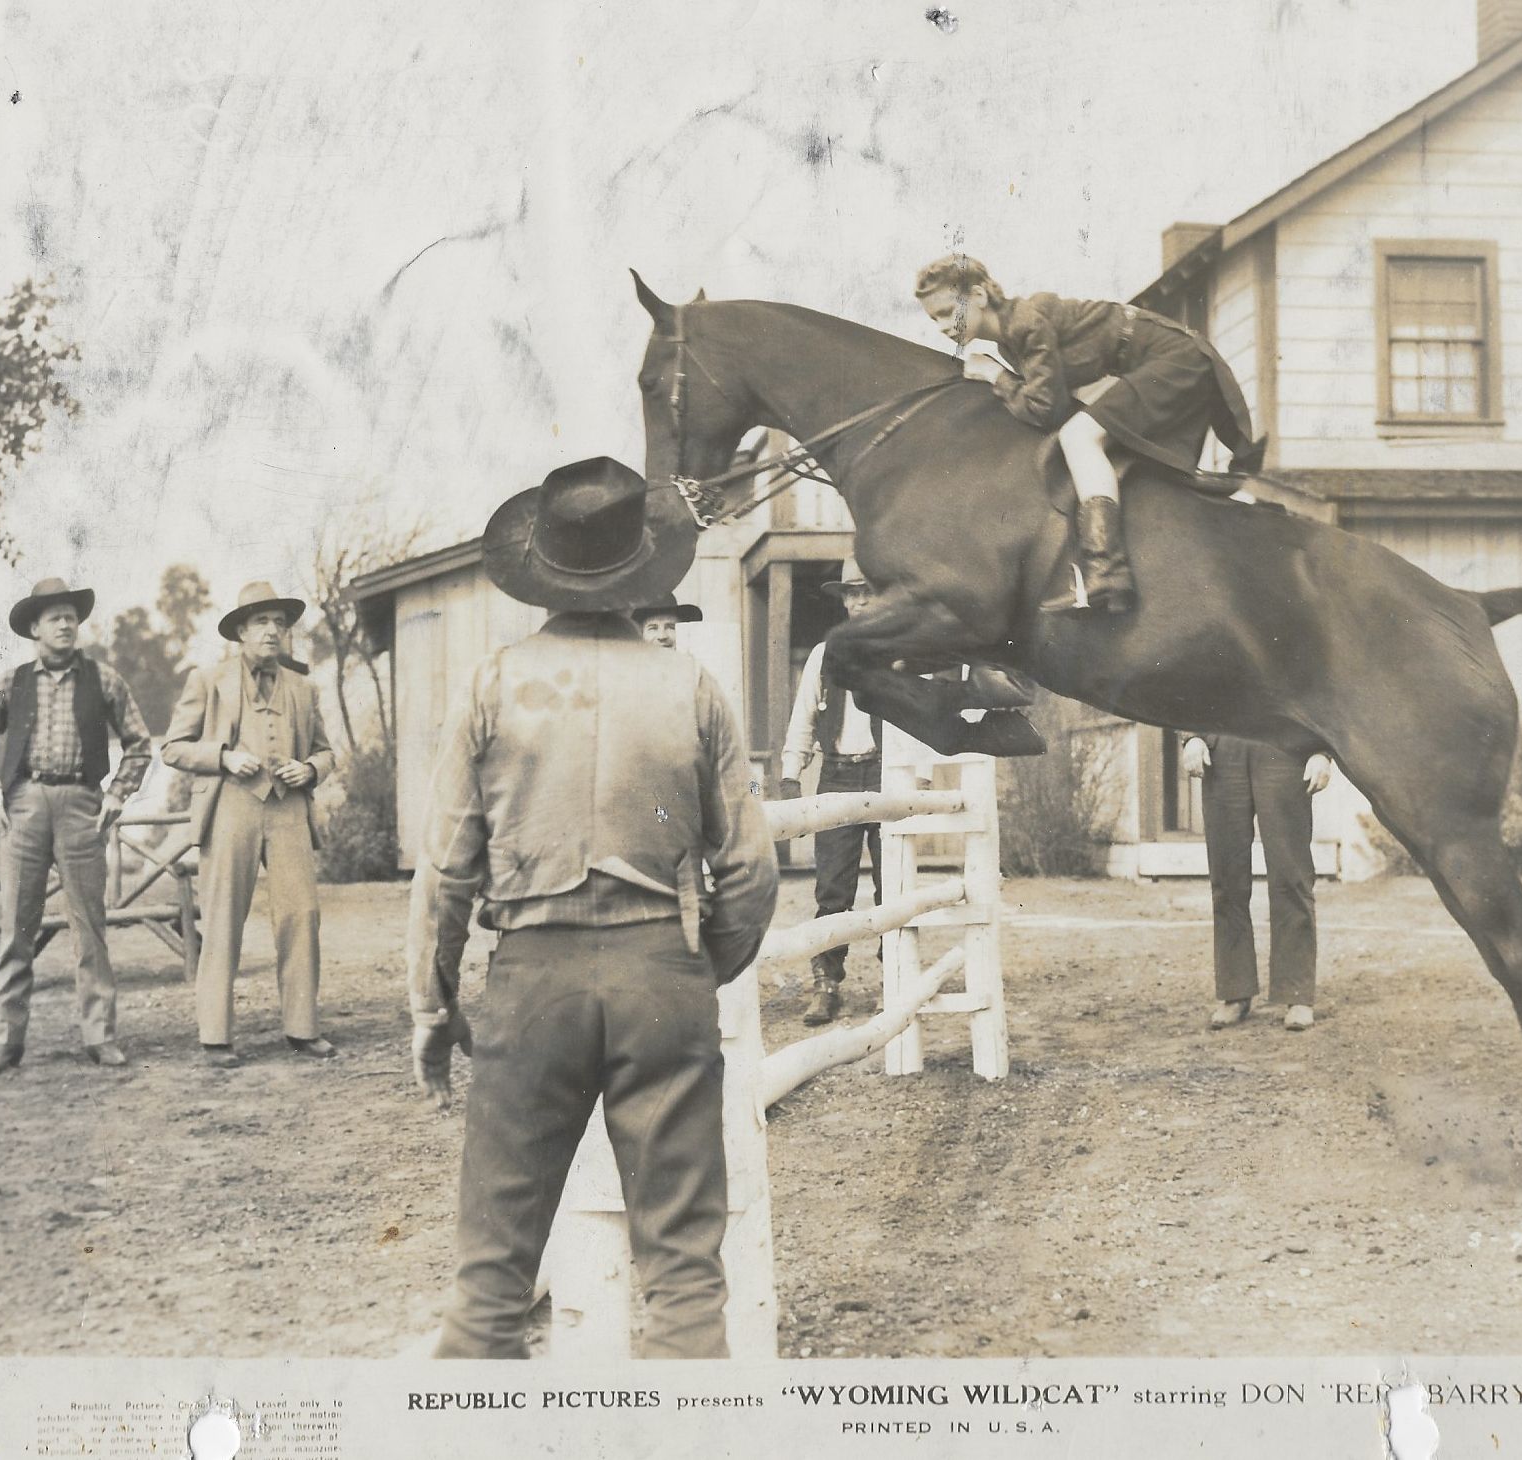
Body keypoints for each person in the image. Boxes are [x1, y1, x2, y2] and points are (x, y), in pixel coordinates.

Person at [408, 456, 778, 1360]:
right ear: (642, 566)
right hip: (663, 974)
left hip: (533, 976)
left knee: (493, 1271)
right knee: (685, 1268)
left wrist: (430, 1004)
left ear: (542, 567)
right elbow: (752, 870)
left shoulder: (494, 683)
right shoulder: (688, 686)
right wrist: (691, 962)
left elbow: (444, 869)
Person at [913, 253, 1266, 612]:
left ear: (978, 295)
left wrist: (995, 376)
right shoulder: (1009, 341)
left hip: (1173, 357)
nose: (942, 326)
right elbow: (1051, 407)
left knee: (1080, 438)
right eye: (933, 318)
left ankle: (1107, 570)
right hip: (1152, 360)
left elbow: (1042, 410)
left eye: (946, 312)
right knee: (1096, 446)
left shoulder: (1025, 322)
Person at [0, 578, 155, 1073]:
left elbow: (139, 741)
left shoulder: (104, 680)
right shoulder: (13, 682)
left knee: (89, 925)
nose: (65, 624)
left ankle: (100, 1036)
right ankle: (7, 1040)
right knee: (16, 926)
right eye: (54, 617)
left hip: (81, 805)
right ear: (34, 628)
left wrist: (117, 792)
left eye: (71, 616)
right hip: (25, 804)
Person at [163, 581, 338, 1068]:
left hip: (288, 810)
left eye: (280, 623)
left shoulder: (303, 687)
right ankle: (216, 1036)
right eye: (261, 621)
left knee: (301, 914)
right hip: (232, 807)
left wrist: (309, 770)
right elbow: (173, 748)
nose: (272, 631)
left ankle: (302, 1029)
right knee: (222, 919)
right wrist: (222, 757)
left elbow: (326, 752)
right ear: (240, 630)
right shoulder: (207, 680)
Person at [779, 559, 933, 1027]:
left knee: (894, 883)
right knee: (832, 886)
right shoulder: (825, 655)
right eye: (852, 594)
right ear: (843, 601)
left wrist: (919, 778)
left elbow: (922, 714)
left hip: (887, 772)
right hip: (839, 777)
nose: (860, 601)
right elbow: (804, 715)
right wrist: (791, 773)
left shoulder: (902, 650)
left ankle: (898, 979)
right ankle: (826, 983)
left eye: (868, 592)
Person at [1182, 733, 1332, 1032]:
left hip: (1283, 746)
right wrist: (1192, 736)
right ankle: (1234, 991)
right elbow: (1193, 685)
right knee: (1226, 879)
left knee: (1291, 874)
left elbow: (1314, 687)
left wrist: (1322, 751)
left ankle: (1296, 992)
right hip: (1222, 749)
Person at [631, 592, 703, 651]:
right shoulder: (630, 667)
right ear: (641, 634)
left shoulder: (693, 666)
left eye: (671, 627)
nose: (662, 636)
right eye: (653, 628)